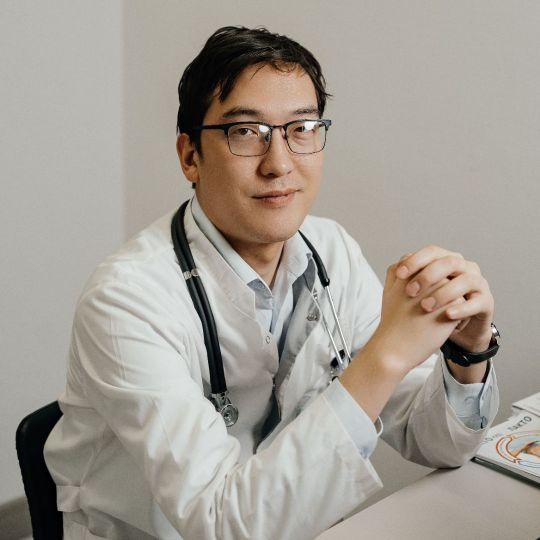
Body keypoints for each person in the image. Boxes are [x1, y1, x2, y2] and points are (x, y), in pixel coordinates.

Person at [45, 26, 500, 540]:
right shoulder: (125, 300)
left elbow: (439, 444)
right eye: (246, 132)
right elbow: (221, 526)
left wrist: (467, 352)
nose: (280, 163)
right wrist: (386, 355)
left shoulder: (330, 250)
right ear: (190, 156)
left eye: (301, 128)